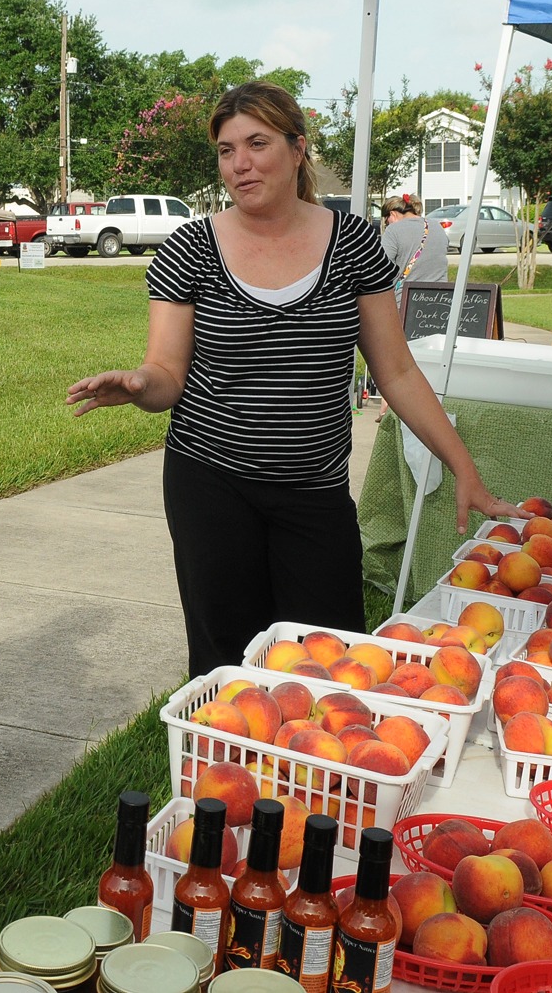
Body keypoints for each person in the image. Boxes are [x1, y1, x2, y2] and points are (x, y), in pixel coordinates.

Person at [69, 82, 515, 675]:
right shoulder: (190, 248)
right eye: (227, 151)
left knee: (329, 660)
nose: (240, 164)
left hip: (313, 490)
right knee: (225, 661)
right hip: (210, 484)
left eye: (257, 144)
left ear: (298, 148)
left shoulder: (354, 243)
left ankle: (319, 772)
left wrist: (464, 467)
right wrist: (136, 386)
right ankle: (228, 761)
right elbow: (167, 374)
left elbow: (397, 371)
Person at [378, 193, 445, 297]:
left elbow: (382, 268)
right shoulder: (437, 227)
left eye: (387, 221)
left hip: (407, 300)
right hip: (440, 298)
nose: (388, 224)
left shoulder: (393, 230)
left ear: (393, 214)